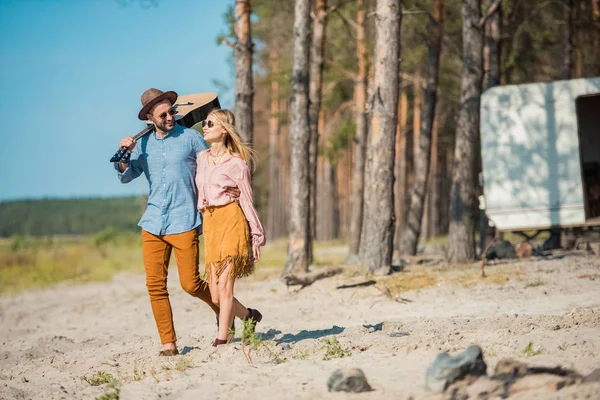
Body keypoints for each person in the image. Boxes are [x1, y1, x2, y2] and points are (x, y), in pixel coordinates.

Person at [114, 88, 261, 356]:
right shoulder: (143, 144)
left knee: (191, 283)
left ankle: (235, 312)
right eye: (163, 114)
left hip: (185, 220)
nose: (170, 117)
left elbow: (213, 163)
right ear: (149, 117)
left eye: (172, 111)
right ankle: (168, 344)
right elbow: (127, 175)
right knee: (155, 285)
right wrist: (124, 156)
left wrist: (230, 186)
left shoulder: (191, 138)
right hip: (153, 221)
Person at [195, 109, 266, 347]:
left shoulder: (237, 164)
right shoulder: (201, 158)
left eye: (210, 123)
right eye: (205, 123)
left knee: (225, 287)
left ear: (224, 130)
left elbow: (246, 199)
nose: (204, 126)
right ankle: (249, 317)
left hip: (231, 220)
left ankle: (221, 340)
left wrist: (256, 236)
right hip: (211, 224)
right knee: (215, 294)